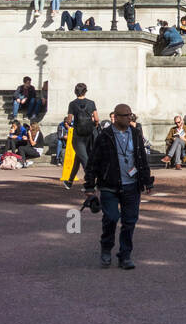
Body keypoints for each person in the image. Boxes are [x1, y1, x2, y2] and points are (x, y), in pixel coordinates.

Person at [83, 103, 154, 269]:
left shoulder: (136, 134)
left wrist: (147, 181)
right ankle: (106, 249)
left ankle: (125, 255)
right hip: (109, 185)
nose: (130, 117)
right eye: (126, 115)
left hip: (132, 185)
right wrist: (89, 186)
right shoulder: (105, 135)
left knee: (129, 222)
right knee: (111, 218)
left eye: (130, 114)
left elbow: (142, 159)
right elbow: (93, 161)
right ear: (116, 117)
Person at [62, 83, 100, 189]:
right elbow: (97, 119)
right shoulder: (91, 103)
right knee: (78, 159)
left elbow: (69, 120)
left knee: (84, 160)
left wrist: (70, 123)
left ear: (75, 92)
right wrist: (93, 125)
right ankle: (69, 181)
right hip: (90, 134)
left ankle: (91, 183)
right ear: (85, 91)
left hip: (78, 135)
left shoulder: (72, 104)